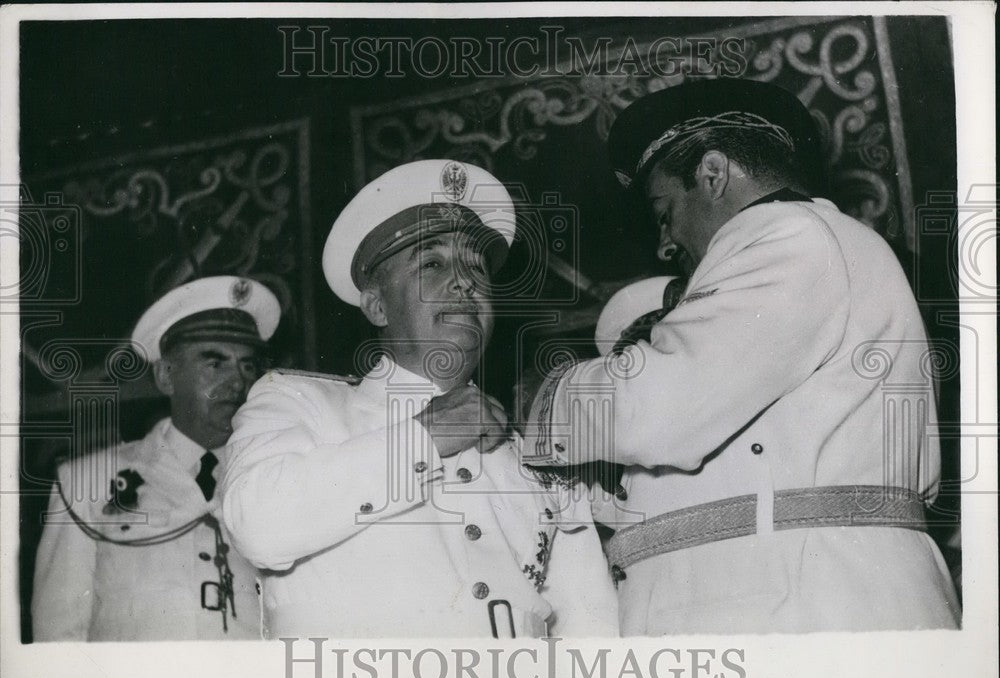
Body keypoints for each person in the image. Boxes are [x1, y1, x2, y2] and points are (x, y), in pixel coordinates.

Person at [522, 78, 960, 634]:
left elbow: (663, 405)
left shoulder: (792, 235)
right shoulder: (809, 247)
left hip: (812, 609)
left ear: (713, 174)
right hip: (796, 600)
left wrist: (539, 399)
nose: (665, 243)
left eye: (663, 211)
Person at [222, 159, 617, 638]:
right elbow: (257, 524)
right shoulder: (302, 401)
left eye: (476, 267)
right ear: (377, 305)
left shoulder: (535, 451)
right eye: (432, 264)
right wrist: (424, 437)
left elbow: (589, 625)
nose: (465, 282)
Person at [32, 276, 280, 641]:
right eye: (215, 364)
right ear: (166, 375)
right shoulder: (87, 483)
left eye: (246, 366)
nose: (237, 382)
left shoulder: (275, 480)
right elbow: (58, 638)